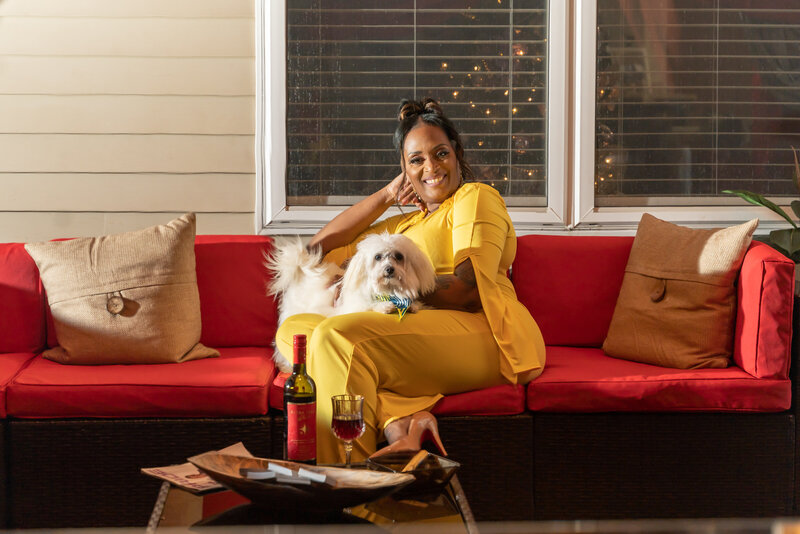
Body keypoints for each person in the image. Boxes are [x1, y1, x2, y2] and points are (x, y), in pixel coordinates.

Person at [275, 98, 546, 464]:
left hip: (485, 333)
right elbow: (316, 249)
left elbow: (468, 288)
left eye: (440, 154)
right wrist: (387, 196)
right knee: (294, 331)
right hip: (409, 325)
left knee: (334, 337)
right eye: (416, 160)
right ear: (404, 169)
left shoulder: (475, 198)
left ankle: (348, 482)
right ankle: (402, 422)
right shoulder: (403, 226)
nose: (430, 167)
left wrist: (394, 283)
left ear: (457, 154)